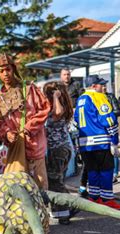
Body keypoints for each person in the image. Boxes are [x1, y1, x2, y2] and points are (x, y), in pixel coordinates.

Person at [0, 53, 50, 189]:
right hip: (16, 149)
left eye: (8, 69)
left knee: (40, 187)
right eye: (1, 71)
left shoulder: (30, 88)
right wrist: (6, 134)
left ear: (13, 69)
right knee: (17, 188)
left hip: (34, 145)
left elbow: (44, 109)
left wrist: (30, 127)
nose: (5, 74)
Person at [74, 75, 120, 209]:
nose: (104, 87)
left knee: (92, 171)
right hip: (101, 141)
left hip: (85, 143)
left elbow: (76, 120)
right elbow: (108, 120)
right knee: (106, 171)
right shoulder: (99, 97)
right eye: (101, 85)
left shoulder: (80, 99)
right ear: (94, 86)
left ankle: (94, 198)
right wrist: (114, 141)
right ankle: (107, 200)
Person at [43, 81, 76, 224]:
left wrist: (56, 96)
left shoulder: (58, 108)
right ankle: (62, 212)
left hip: (58, 149)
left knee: (55, 182)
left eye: (48, 93)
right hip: (61, 149)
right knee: (57, 181)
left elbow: (57, 112)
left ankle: (72, 205)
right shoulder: (55, 108)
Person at [103, 85, 120, 182]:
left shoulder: (110, 97)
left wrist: (106, 116)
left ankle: (115, 173)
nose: (104, 87)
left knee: (113, 150)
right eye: (102, 85)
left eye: (105, 85)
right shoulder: (93, 99)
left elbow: (118, 111)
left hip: (111, 127)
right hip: (100, 129)